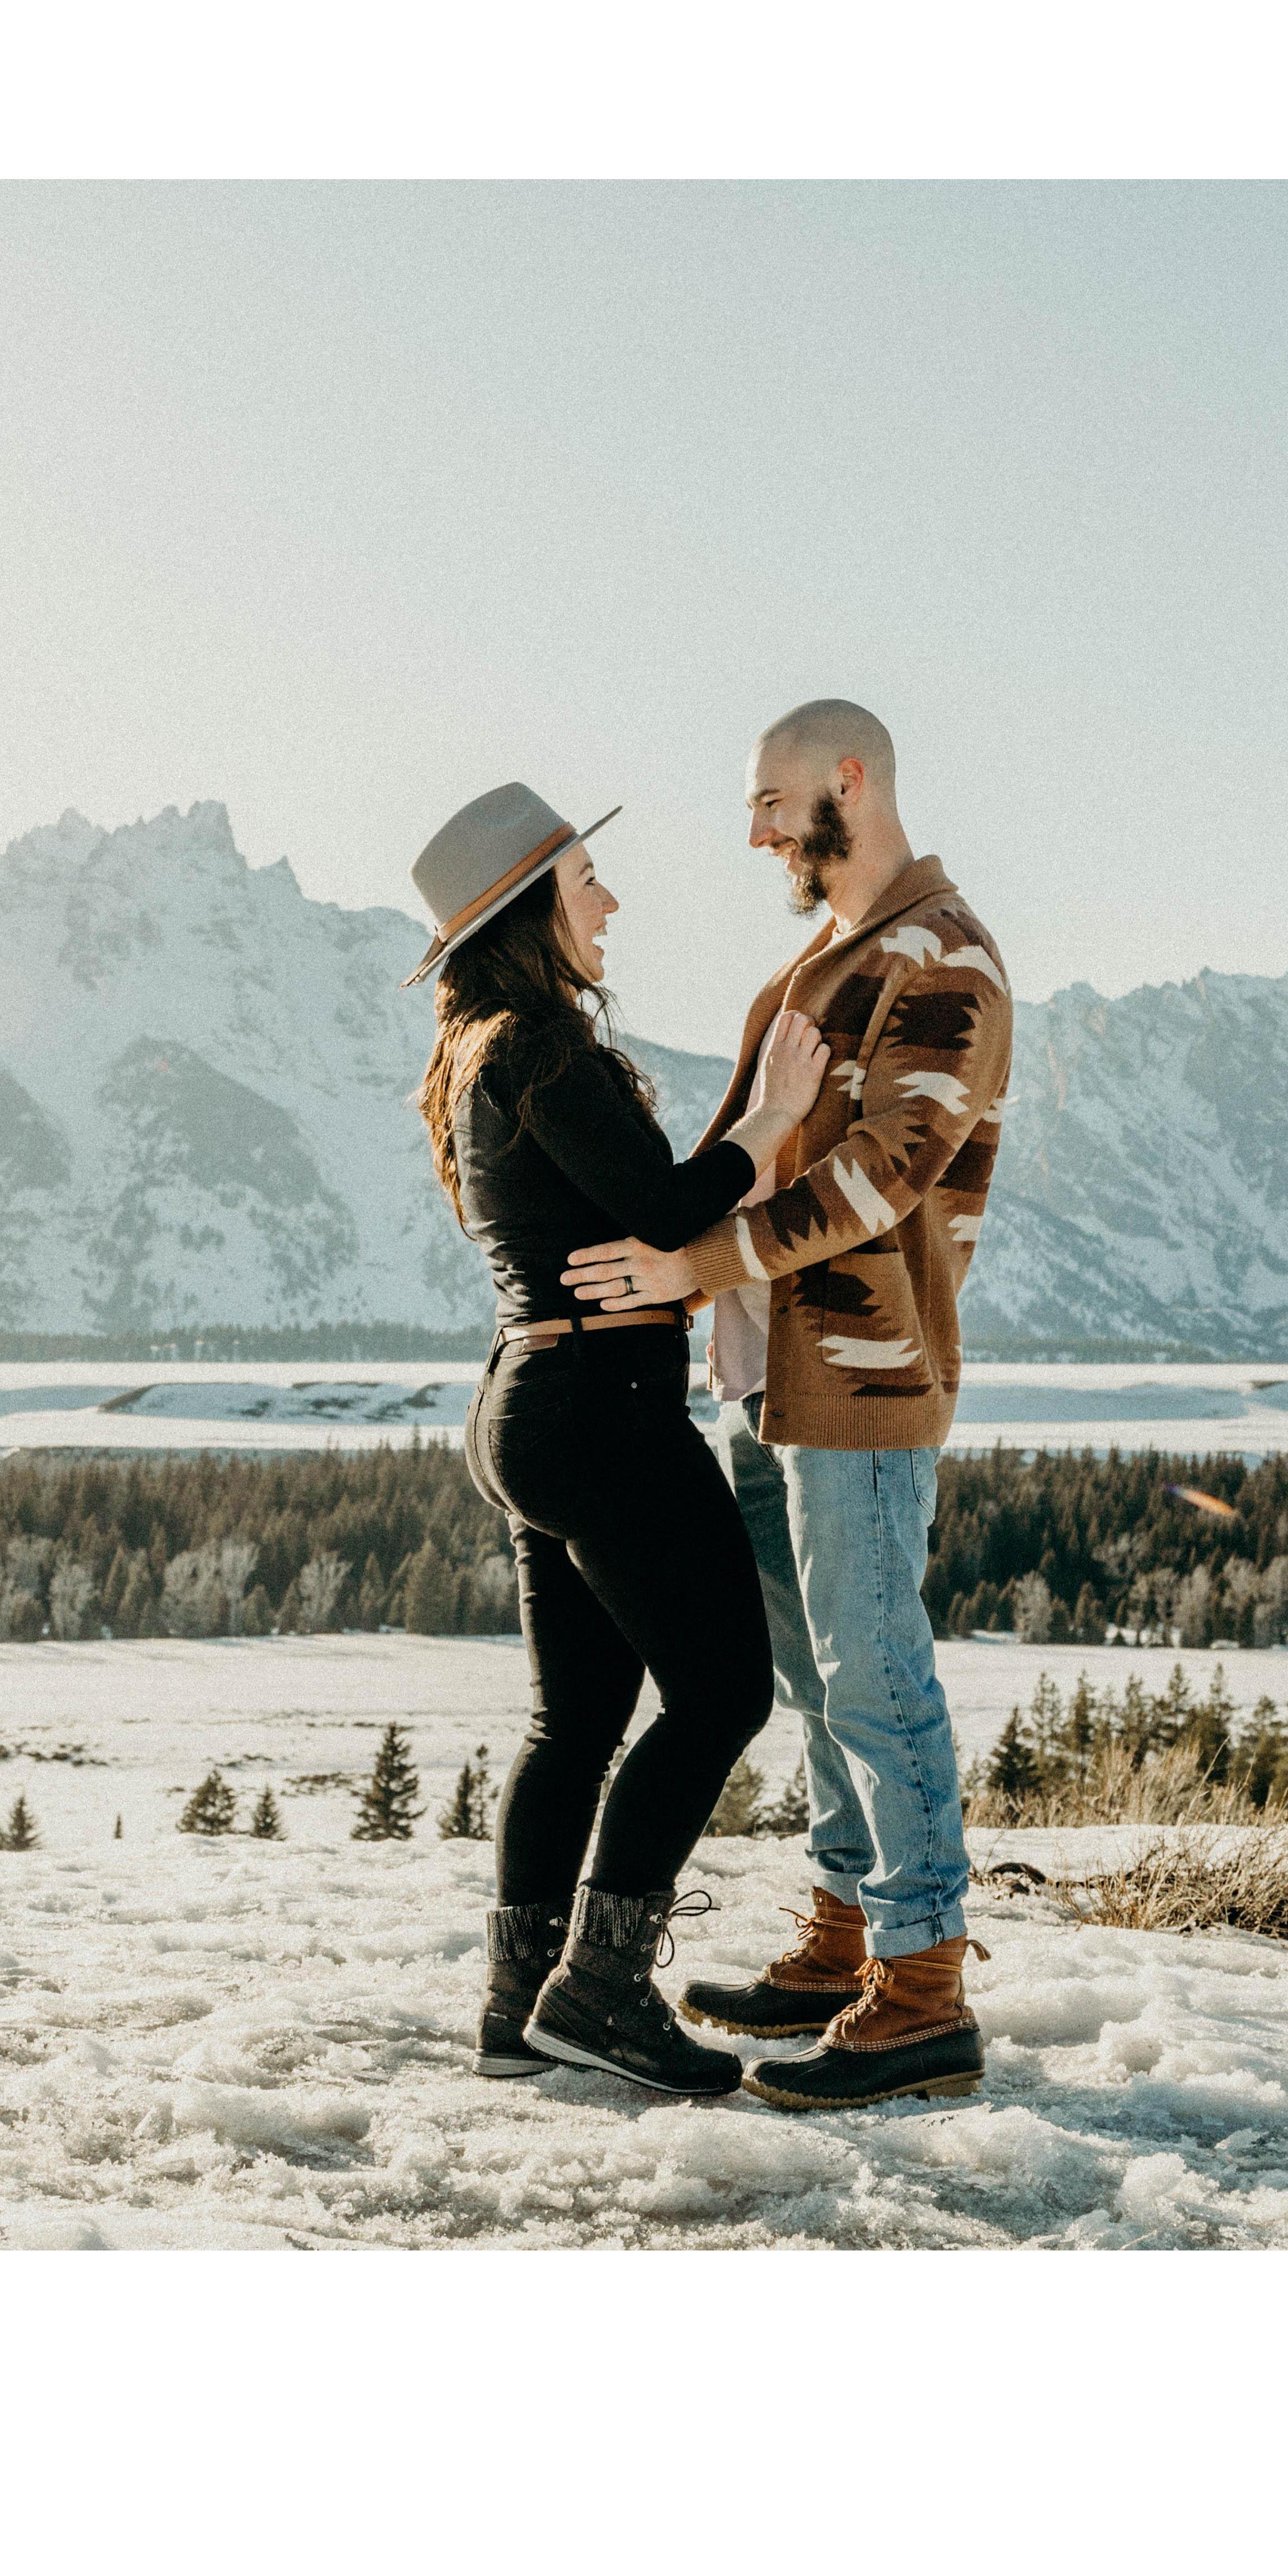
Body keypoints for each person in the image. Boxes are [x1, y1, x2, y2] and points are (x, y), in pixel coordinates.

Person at [561, 701, 1012, 2111]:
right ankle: (838, 1937)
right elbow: (755, 1151)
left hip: (865, 1385)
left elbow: (891, 1167)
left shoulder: (942, 959)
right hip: (775, 1382)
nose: (754, 829)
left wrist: (700, 1261)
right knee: (818, 1677)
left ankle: (924, 1985)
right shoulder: (824, 961)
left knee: (877, 1675)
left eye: (771, 800)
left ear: (848, 781)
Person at [408, 779, 833, 2098]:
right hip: (605, 1412)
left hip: (529, 1405)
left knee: (577, 1722)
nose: (608, 899)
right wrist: (767, 1125)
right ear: (532, 907)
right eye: (586, 878)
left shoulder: (483, 1055)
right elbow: (655, 1210)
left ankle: (514, 2005)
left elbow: (619, 1202)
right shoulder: (540, 1047)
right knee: (722, 1692)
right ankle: (595, 1991)